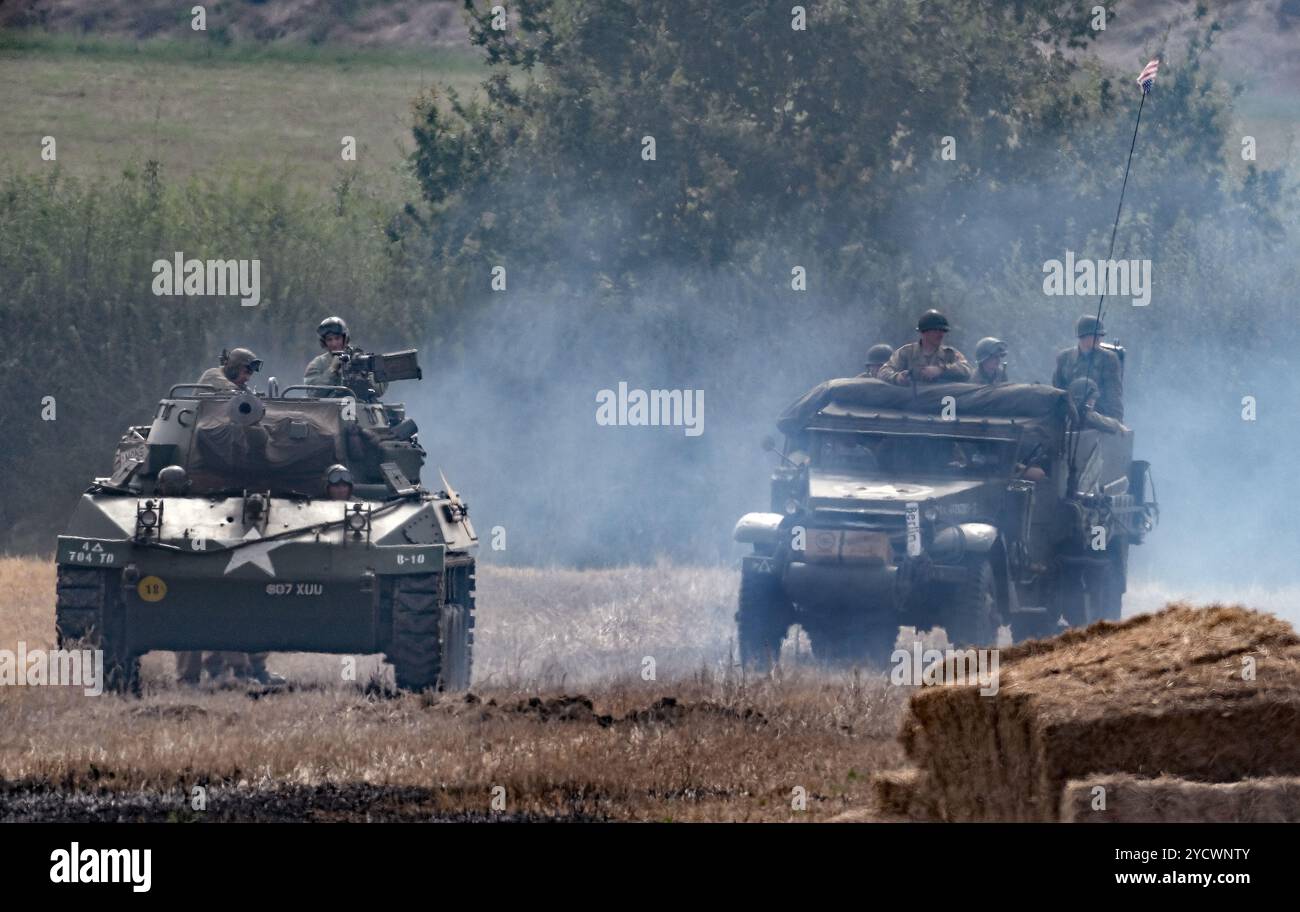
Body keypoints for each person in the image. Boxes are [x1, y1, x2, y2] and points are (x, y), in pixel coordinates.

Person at [1053, 315, 1123, 420]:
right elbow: (1057, 390)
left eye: (1100, 335)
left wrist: (1116, 422)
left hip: (1098, 415)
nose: (1098, 339)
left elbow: (1113, 394)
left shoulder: (1109, 359)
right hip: (1069, 414)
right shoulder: (1064, 358)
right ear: (1082, 336)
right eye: (1095, 335)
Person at [877, 310, 973, 385]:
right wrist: (897, 378)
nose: (941, 334)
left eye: (943, 331)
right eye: (936, 330)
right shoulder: (906, 353)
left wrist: (942, 370)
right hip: (910, 404)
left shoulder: (949, 354)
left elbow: (967, 370)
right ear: (924, 332)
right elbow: (883, 372)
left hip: (942, 402)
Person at [304, 316, 386, 400]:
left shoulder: (360, 358)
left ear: (345, 338)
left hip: (362, 407)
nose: (334, 343)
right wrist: (332, 370)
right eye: (329, 340)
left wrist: (365, 373)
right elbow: (313, 394)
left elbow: (379, 390)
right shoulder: (317, 364)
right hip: (329, 409)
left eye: (337, 338)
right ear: (324, 342)